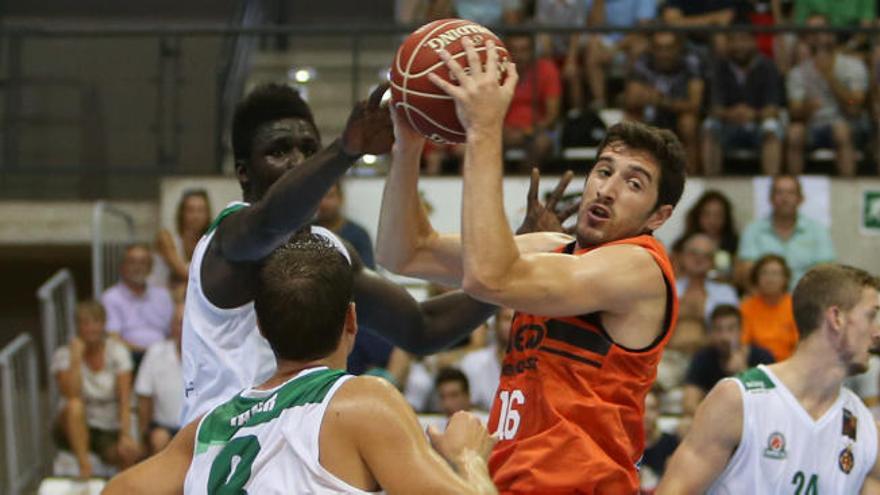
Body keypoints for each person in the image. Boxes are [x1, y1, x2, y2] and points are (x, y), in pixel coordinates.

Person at [380, 38, 686, 492]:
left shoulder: (640, 270)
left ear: (659, 216)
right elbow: (403, 251)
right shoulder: (553, 248)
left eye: (633, 183)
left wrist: (484, 129)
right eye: (603, 171)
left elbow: (488, 276)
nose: (607, 190)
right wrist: (408, 145)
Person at [180, 82, 550, 425]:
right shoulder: (228, 240)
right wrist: (343, 151)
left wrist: (511, 266)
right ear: (244, 172)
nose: (298, 161)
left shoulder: (331, 250)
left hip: (300, 455)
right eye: (279, 152)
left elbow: (421, 328)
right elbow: (270, 224)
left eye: (308, 150)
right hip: (220, 454)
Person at [105, 234, 498, 495]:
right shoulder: (362, 403)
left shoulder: (208, 428)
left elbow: (115, 491)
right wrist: (468, 458)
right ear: (352, 321)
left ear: (260, 327)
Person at [657, 264, 880, 494]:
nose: (877, 332)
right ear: (837, 318)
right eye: (871, 315)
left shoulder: (867, 431)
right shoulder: (739, 400)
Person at [52, 300, 141, 479]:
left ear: (103, 324)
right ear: (77, 327)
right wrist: (76, 359)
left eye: (95, 322)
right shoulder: (63, 355)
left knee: (128, 450)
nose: (91, 328)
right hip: (73, 425)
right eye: (85, 323)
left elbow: (125, 399)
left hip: (107, 425)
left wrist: (125, 434)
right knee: (74, 406)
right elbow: (71, 394)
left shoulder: (117, 352)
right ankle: (85, 468)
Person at [786, 13, 870, 177]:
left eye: (821, 31)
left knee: (841, 131)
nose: (817, 37)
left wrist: (830, 78)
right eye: (812, 33)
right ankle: (792, 186)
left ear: (832, 34)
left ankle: (847, 186)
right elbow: (794, 112)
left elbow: (855, 104)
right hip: (813, 126)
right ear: (806, 39)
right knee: (794, 132)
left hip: (850, 125)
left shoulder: (853, 66)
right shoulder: (798, 72)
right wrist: (807, 107)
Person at [702, 19, 784, 176]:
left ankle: (770, 181)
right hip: (728, 125)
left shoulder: (768, 66)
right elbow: (713, 108)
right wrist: (732, 114)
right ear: (727, 43)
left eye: (744, 39)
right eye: (733, 40)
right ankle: (712, 183)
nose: (739, 45)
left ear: (754, 42)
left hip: (758, 124)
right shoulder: (718, 67)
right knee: (709, 127)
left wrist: (753, 114)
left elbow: (773, 108)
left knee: (771, 128)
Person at [735, 174, 835, 291]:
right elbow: (746, 274)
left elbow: (826, 273)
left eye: (790, 193)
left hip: (806, 302)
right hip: (765, 302)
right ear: (770, 198)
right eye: (779, 192)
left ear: (800, 199)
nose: (785, 198)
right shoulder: (753, 230)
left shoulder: (818, 231)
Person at [624, 31, 704, 174]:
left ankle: (692, 175)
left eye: (669, 48)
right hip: (651, 113)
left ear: (679, 48)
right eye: (659, 48)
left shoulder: (691, 62)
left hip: (678, 114)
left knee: (689, 122)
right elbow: (631, 98)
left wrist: (663, 101)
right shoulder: (643, 61)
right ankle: (631, 173)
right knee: (630, 120)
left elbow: (695, 104)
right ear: (652, 49)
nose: (664, 53)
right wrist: (650, 97)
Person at [682, 304, 775, 415]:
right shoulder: (703, 358)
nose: (724, 336)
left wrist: (743, 373)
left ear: (741, 331)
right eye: (718, 329)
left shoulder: (762, 357)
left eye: (731, 329)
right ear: (711, 333)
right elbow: (689, 403)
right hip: (715, 421)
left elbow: (770, 402)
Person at [101, 244, 174, 369]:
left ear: (150, 268)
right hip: (130, 356)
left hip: (164, 355)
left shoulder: (163, 295)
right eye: (132, 262)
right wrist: (148, 353)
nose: (138, 267)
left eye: (143, 262)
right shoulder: (110, 297)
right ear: (122, 267)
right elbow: (113, 337)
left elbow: (174, 331)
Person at [502, 34, 562, 171]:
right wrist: (501, 130)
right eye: (514, 50)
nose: (519, 55)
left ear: (533, 51)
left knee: (541, 144)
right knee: (486, 142)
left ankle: (524, 186)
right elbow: (488, 111)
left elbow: (552, 116)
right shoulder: (498, 71)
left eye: (524, 50)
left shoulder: (547, 69)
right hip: (504, 131)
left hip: (536, 131)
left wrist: (527, 132)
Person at [135, 302, 184, 455]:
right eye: (179, 323)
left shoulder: (210, 356)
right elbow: (144, 398)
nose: (183, 329)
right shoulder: (155, 352)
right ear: (171, 327)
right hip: (164, 428)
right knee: (159, 438)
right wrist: (143, 438)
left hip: (200, 428)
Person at [740, 254, 800, 361]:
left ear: (785, 278)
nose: (770, 279)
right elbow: (743, 345)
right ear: (756, 278)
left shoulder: (796, 305)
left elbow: (801, 344)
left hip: (791, 364)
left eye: (775, 273)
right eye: (764, 273)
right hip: (757, 365)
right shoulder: (746, 308)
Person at [151, 189, 212, 289]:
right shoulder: (165, 237)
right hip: (157, 298)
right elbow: (184, 274)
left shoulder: (208, 242)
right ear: (182, 213)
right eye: (190, 210)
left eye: (201, 210)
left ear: (207, 214)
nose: (196, 216)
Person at [675, 232, 739, 322]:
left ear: (713, 262)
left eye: (706, 255)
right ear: (682, 256)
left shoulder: (726, 293)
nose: (699, 258)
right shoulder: (668, 289)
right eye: (693, 253)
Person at [460, 307, 514, 411]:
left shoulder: (535, 364)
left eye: (516, 320)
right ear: (495, 325)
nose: (513, 324)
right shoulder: (472, 362)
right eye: (507, 319)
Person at [681, 190, 739, 281]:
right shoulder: (683, 244)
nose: (712, 221)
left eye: (718, 215)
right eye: (707, 214)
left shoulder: (736, 245)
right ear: (698, 216)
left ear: (726, 218)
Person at [639, 387, 681, 493]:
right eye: (642, 408)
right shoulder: (624, 445)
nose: (646, 415)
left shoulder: (670, 442)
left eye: (651, 408)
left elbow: (675, 480)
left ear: (658, 412)